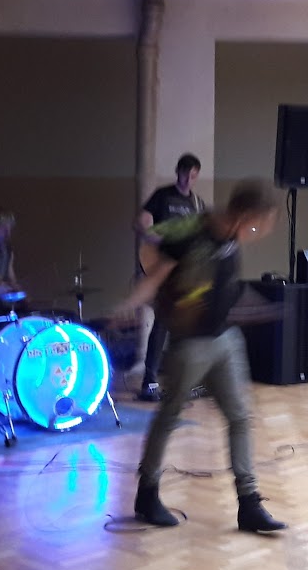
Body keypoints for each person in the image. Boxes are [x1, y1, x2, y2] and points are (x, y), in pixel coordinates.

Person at [112, 180, 286, 533]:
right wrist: (127, 305)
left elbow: (224, 287)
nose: (262, 231)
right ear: (246, 216)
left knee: (240, 417)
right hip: (190, 345)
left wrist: (259, 307)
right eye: (261, 224)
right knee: (169, 416)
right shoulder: (193, 234)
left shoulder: (231, 237)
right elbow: (156, 277)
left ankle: (249, 504)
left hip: (225, 340)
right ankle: (147, 494)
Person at [132, 153, 208, 400]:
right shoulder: (162, 196)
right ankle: (150, 382)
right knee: (163, 322)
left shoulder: (197, 204)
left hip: (183, 271)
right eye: (185, 174)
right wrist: (158, 240)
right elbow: (140, 223)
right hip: (162, 267)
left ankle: (186, 381)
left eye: (193, 176)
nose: (188, 180)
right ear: (178, 172)